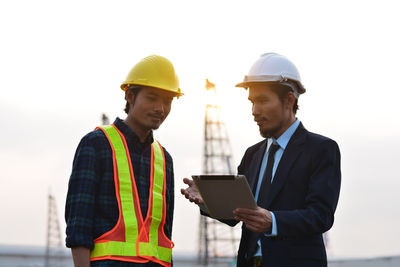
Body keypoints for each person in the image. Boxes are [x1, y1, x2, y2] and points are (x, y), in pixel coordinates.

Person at [181, 53, 341, 267]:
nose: (255, 111)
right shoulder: (252, 155)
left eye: (263, 101)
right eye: (252, 102)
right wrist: (210, 200)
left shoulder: (321, 149)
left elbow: (321, 215)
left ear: (289, 100)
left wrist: (273, 222)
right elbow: (238, 213)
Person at [65, 55, 183, 267]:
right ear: (130, 96)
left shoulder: (164, 159)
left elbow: (165, 236)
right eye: (152, 97)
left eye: (168, 101)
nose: (161, 108)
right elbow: (78, 228)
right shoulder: (96, 145)